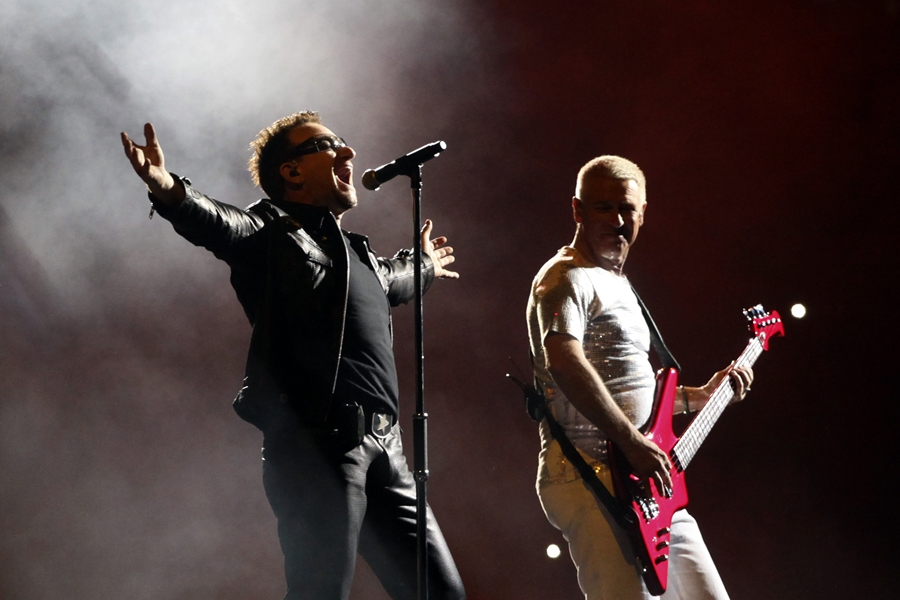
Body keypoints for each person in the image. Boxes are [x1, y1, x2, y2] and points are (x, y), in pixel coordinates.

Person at [120, 111, 466, 600]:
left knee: (443, 595)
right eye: (330, 145)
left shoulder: (360, 255)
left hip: (388, 451)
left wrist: (425, 264)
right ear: (292, 171)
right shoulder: (269, 232)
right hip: (316, 445)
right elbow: (217, 222)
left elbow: (396, 278)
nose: (348, 153)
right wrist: (169, 189)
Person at [526, 155, 753, 600]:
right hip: (590, 476)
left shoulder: (619, 283)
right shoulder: (564, 277)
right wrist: (630, 441)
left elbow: (635, 389)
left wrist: (703, 396)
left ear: (643, 213)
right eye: (602, 207)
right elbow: (564, 360)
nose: (617, 219)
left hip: (645, 481)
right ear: (576, 210)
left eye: (627, 208)